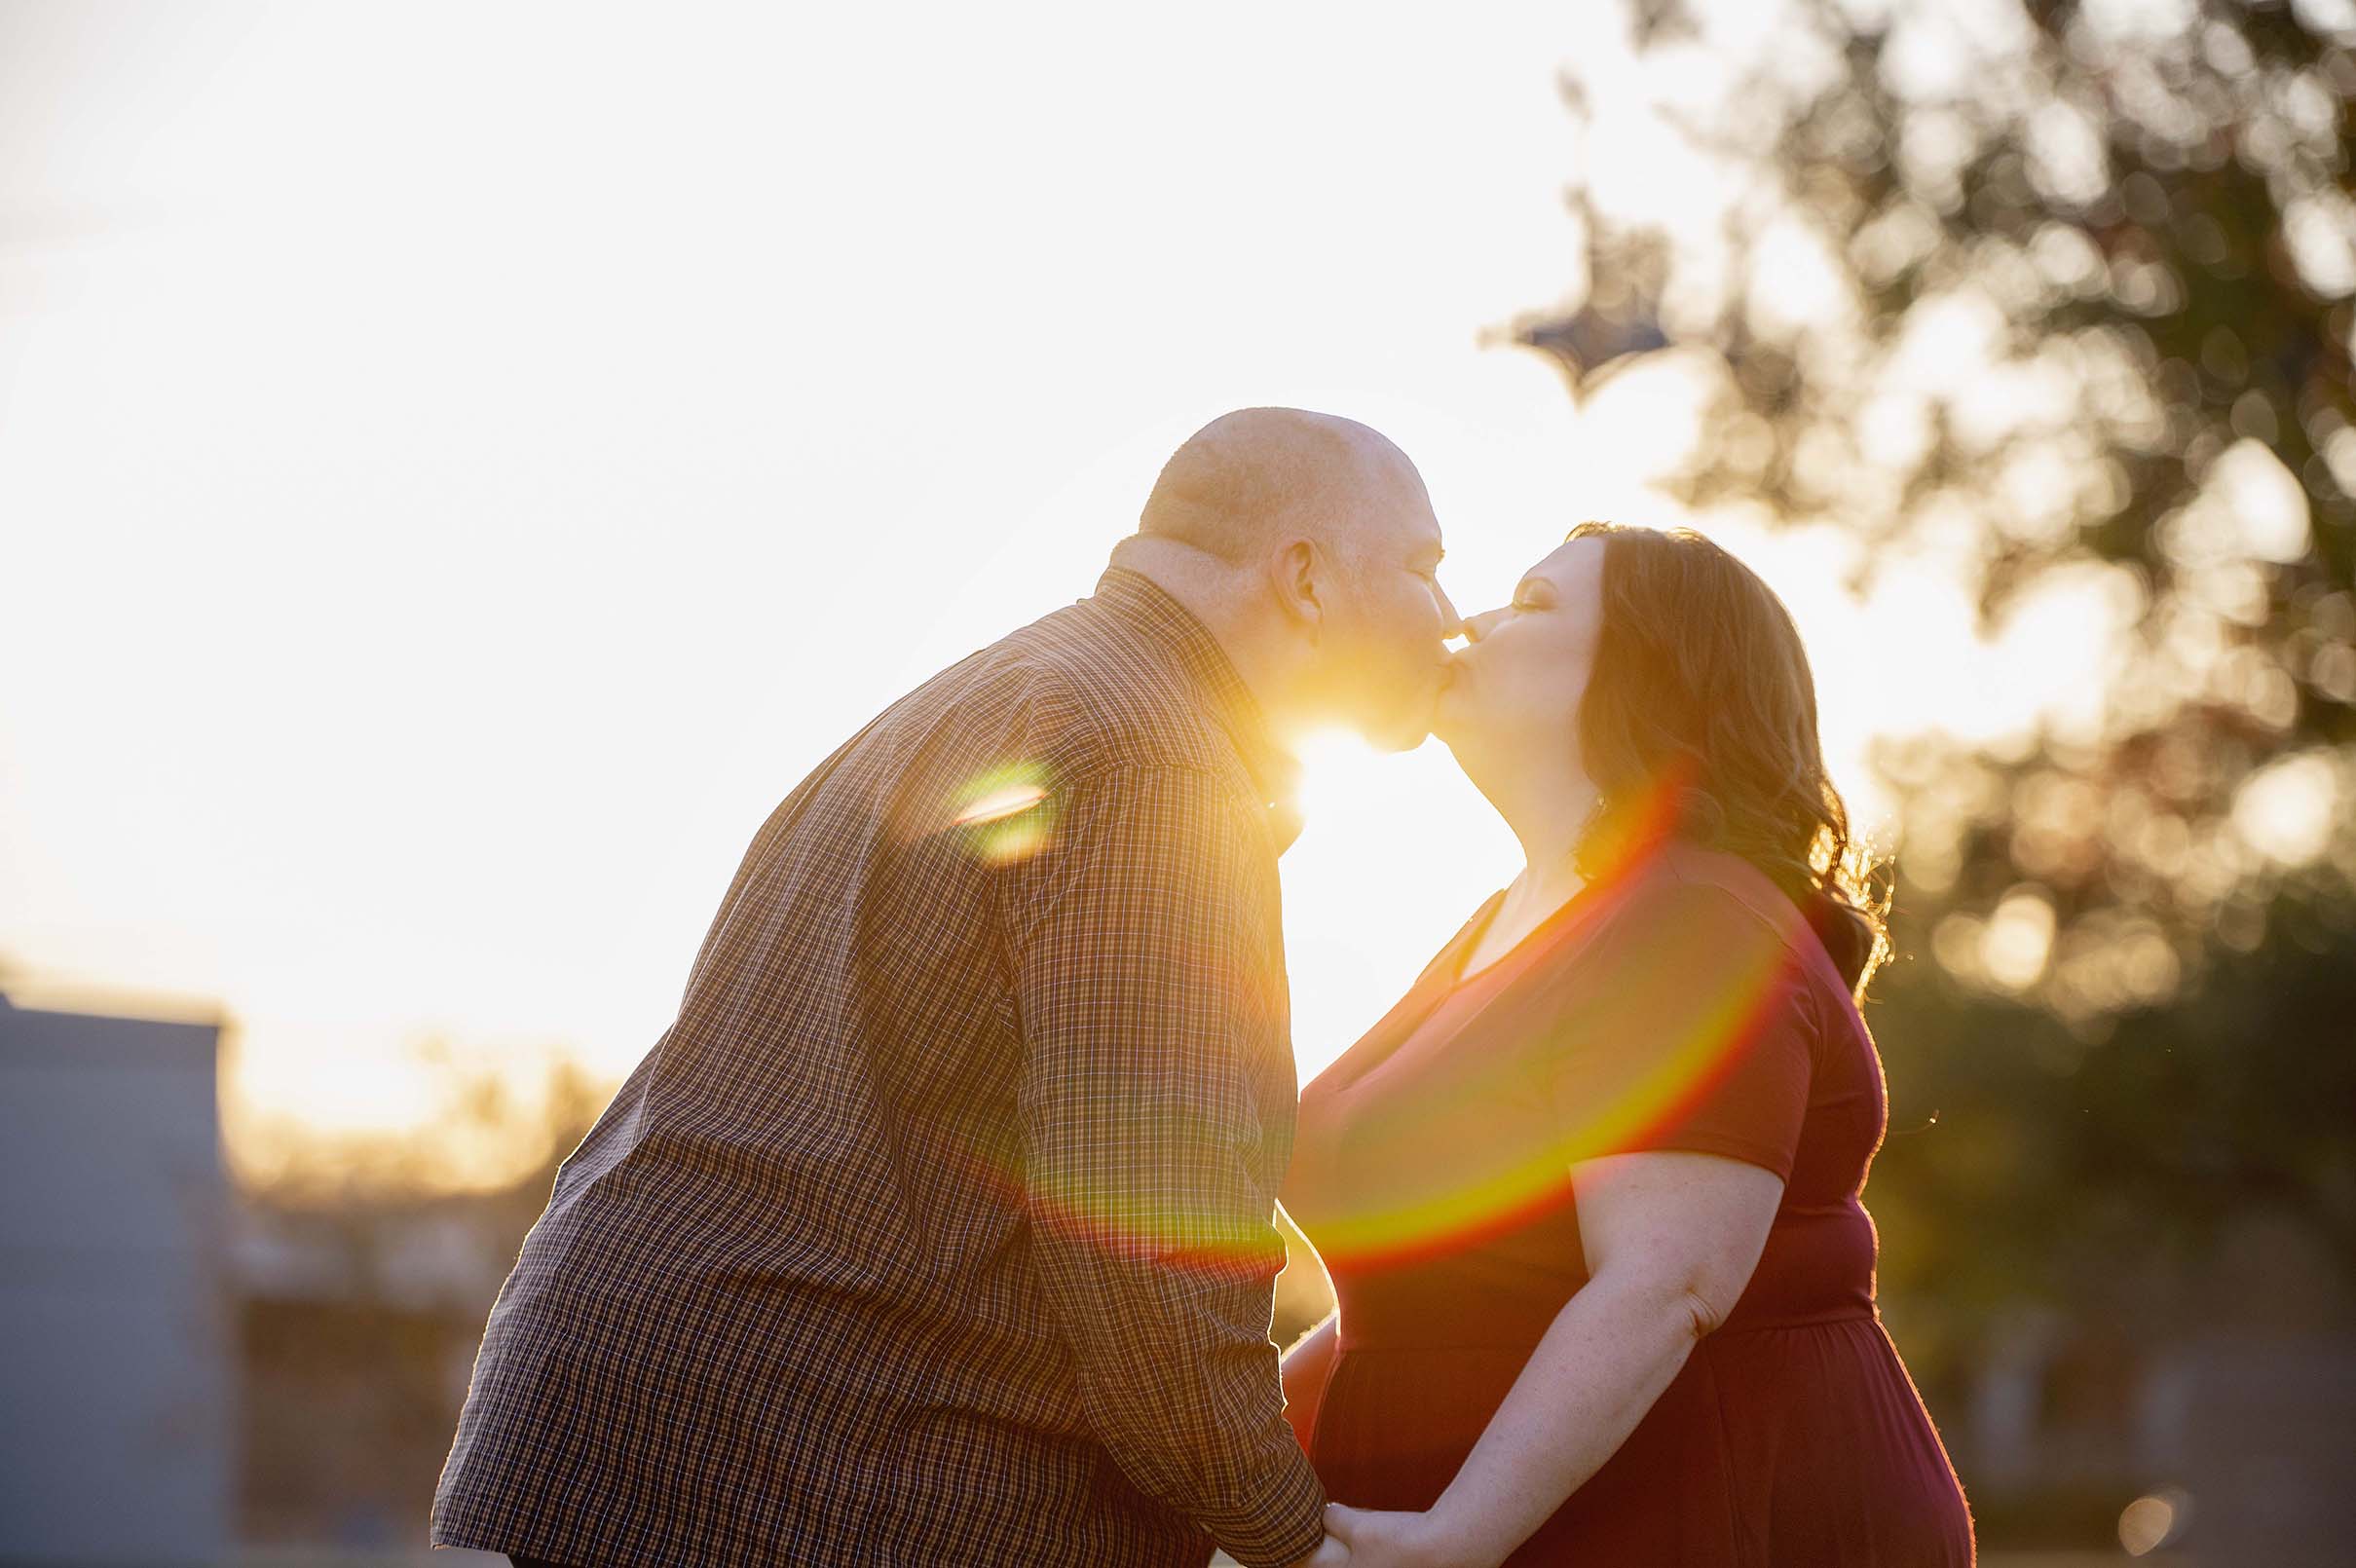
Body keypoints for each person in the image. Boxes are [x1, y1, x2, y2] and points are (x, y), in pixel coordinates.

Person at [430, 407, 1461, 1568]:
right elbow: (1147, 1233)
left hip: (679, 1425)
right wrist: (1287, 1533)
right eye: (1425, 566)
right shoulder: (1156, 761)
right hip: (823, 1466)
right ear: (1306, 578)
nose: (1452, 613)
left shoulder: (1017, 690)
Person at [1289, 524, 1975, 1566]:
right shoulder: (1507, 918)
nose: (1470, 620)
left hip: (1701, 1511)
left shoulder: (1688, 916)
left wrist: (1455, 1535)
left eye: (1532, 601)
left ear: (1648, 671)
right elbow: (1429, 1278)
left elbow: (1668, 1280)